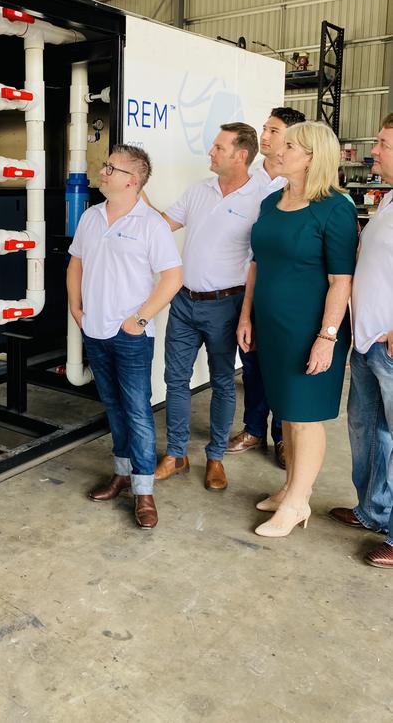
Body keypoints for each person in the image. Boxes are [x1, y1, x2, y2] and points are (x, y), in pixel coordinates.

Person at [238, 121, 358, 537]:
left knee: (305, 416)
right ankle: (290, 487)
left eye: (290, 145)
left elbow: (341, 280)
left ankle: (297, 502)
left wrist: (327, 337)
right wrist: (245, 315)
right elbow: (258, 264)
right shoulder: (272, 203)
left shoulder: (335, 207)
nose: (278, 148)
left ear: (312, 157)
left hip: (309, 329)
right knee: (286, 410)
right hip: (271, 325)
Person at [67, 145, 183, 529]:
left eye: (111, 168)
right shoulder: (91, 217)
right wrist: (77, 309)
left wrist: (140, 318)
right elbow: (76, 265)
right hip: (95, 330)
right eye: (105, 165)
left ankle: (144, 491)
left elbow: (172, 278)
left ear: (132, 180)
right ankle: (121, 473)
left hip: (131, 335)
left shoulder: (150, 224)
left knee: (137, 410)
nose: (102, 171)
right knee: (113, 407)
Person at [148, 123, 261, 491]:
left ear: (240, 155)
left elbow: (259, 262)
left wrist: (246, 314)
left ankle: (215, 458)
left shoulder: (263, 197)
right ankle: (176, 454)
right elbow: (161, 225)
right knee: (175, 380)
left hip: (226, 305)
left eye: (218, 147)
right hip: (184, 300)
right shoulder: (199, 190)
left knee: (224, 383)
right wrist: (137, 191)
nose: (210, 153)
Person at [329, 114, 393, 568]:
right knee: (367, 431)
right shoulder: (388, 201)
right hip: (368, 341)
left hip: (390, 346)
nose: (374, 151)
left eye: (384, 144)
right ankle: (372, 510)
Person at [227, 107, 306, 469]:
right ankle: (254, 427)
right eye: (264, 129)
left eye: (273, 131)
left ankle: (282, 437)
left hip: (280, 290)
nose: (266, 136)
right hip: (246, 286)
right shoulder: (248, 180)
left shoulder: (298, 187)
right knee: (253, 362)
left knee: (283, 367)